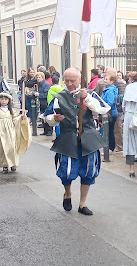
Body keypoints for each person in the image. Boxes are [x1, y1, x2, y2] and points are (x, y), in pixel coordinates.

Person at [43, 67, 111, 216]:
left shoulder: (90, 94)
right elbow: (47, 117)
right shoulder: (59, 97)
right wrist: (53, 119)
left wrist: (86, 98)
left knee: (88, 171)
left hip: (88, 138)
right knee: (66, 171)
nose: (69, 83)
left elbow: (103, 109)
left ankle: (82, 204)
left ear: (79, 80)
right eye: (66, 80)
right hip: (67, 138)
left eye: (72, 81)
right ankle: (67, 193)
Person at [0, 92, 30, 174]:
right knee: (1, 148)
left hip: (10, 131)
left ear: (8, 101)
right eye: (2, 99)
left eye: (5, 99)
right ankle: (4, 165)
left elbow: (15, 120)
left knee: (11, 147)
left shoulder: (12, 111)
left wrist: (22, 118)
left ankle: (13, 163)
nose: (3, 101)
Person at [101, 68, 120, 151]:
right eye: (104, 79)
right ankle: (109, 147)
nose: (104, 81)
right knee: (109, 130)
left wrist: (104, 106)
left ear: (111, 81)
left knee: (108, 131)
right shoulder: (108, 89)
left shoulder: (110, 91)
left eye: (106, 79)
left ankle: (109, 148)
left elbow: (110, 102)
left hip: (110, 112)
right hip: (111, 112)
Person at [33, 71, 52, 136]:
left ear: (43, 77)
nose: (38, 78)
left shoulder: (46, 84)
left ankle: (49, 130)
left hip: (45, 102)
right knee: (42, 116)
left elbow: (47, 94)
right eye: (37, 77)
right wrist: (34, 93)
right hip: (40, 102)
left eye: (39, 77)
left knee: (47, 116)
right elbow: (34, 90)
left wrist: (39, 94)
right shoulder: (38, 84)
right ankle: (45, 130)